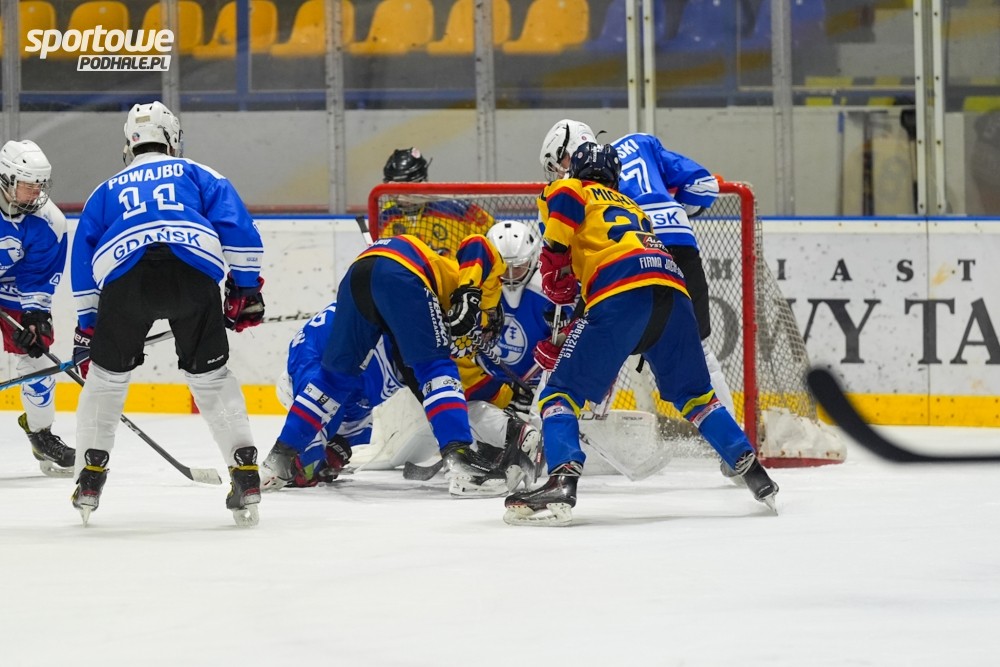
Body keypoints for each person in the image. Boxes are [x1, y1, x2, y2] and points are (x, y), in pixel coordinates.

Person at [504, 143, 778, 526]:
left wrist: (552, 262)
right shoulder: (633, 206)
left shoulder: (570, 189)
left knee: (559, 395)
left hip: (620, 294)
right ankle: (752, 470)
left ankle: (561, 482)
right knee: (697, 397)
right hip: (673, 294)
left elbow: (564, 210)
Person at [69, 101, 265, 527]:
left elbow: (82, 258)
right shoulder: (198, 173)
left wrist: (88, 324)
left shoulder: (105, 190)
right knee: (211, 378)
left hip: (126, 280)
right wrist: (246, 289)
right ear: (172, 138)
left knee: (106, 381)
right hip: (192, 274)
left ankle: (90, 476)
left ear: (130, 142)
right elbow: (237, 227)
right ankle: (245, 471)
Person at [540, 119, 740, 474]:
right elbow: (705, 186)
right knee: (699, 352)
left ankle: (565, 441)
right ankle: (735, 452)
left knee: (590, 346)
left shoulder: (573, 189)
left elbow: (563, 257)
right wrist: (669, 207)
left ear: (569, 154)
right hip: (670, 248)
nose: (557, 173)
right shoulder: (640, 142)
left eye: (558, 164)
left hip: (619, 260)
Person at [268, 231, 513, 495]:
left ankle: (277, 461)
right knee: (436, 368)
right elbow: (477, 244)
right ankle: (463, 463)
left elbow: (466, 384)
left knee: (333, 380)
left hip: (358, 275)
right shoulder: (487, 290)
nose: (479, 338)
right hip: (403, 270)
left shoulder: (441, 316)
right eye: (484, 330)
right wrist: (469, 292)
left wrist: (508, 396)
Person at [262, 299, 541, 495]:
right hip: (400, 338)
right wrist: (334, 454)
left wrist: (300, 466)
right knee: (446, 395)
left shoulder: (307, 370)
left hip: (398, 343)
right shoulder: (317, 368)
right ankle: (509, 431)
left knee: (439, 401)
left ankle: (482, 451)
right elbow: (345, 432)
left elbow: (310, 443)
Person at [0, 139, 75, 477]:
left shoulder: (49, 222)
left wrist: (35, 315)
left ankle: (40, 433)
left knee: (38, 357)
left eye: (40, 185)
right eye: (28, 185)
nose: (36, 193)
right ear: (6, 180)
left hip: (14, 288)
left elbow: (39, 276)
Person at [377, 147, 494, 257]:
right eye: (395, 189)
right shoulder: (386, 218)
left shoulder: (458, 211)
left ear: (422, 182)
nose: (402, 197)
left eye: (407, 189)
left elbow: (494, 235)